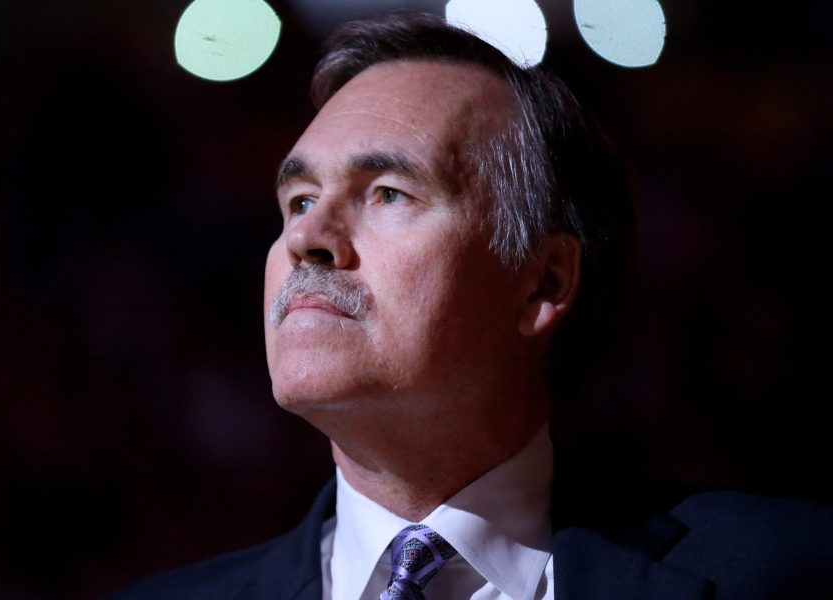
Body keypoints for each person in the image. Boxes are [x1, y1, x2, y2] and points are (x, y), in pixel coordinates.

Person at [111, 12, 833, 600]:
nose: (306, 238)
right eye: (299, 200)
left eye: (388, 192)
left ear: (544, 283)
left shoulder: (791, 569)